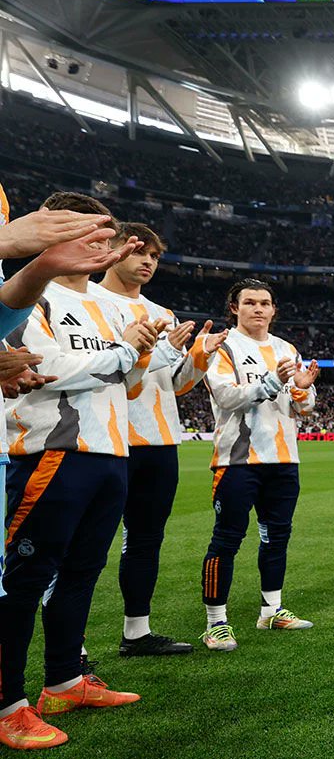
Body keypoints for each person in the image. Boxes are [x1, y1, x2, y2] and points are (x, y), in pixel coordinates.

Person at [0, 190, 150, 751]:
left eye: (101, 233)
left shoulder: (110, 308)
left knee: (83, 571)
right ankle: (8, 702)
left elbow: (130, 380)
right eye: (85, 230)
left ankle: (63, 681)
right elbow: (41, 367)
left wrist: (141, 354)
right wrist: (118, 356)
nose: (98, 242)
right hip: (52, 450)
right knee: (23, 580)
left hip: (110, 453)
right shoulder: (28, 295)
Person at [96, 221, 225, 657]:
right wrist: (163, 352)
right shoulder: (89, 302)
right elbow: (110, 370)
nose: (148, 261)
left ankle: (137, 632)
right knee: (84, 543)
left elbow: (176, 382)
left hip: (159, 439)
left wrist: (201, 358)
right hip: (105, 439)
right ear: (112, 251)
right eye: (139, 252)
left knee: (146, 538)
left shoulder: (162, 313)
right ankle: (70, 648)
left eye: (154, 255)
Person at [199, 279, 320, 652]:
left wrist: (300, 388)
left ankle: (271, 610)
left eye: (265, 303)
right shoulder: (223, 346)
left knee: (277, 537)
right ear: (234, 307)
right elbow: (225, 395)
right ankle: (215, 622)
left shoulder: (286, 348)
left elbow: (304, 407)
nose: (258, 309)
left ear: (273, 310)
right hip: (238, 459)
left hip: (283, 458)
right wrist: (272, 381)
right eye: (249, 302)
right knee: (227, 539)